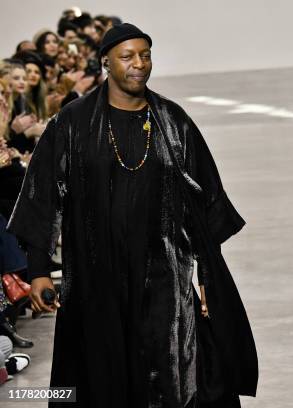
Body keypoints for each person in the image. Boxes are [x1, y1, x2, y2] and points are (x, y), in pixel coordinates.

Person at [8, 23, 257, 407]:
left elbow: (204, 204)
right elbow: (41, 197)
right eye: (127, 57)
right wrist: (39, 270)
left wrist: (207, 275)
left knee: (176, 371)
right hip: (96, 277)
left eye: (145, 55)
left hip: (163, 276)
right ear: (106, 61)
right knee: (97, 373)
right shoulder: (71, 124)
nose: (139, 64)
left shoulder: (174, 122)